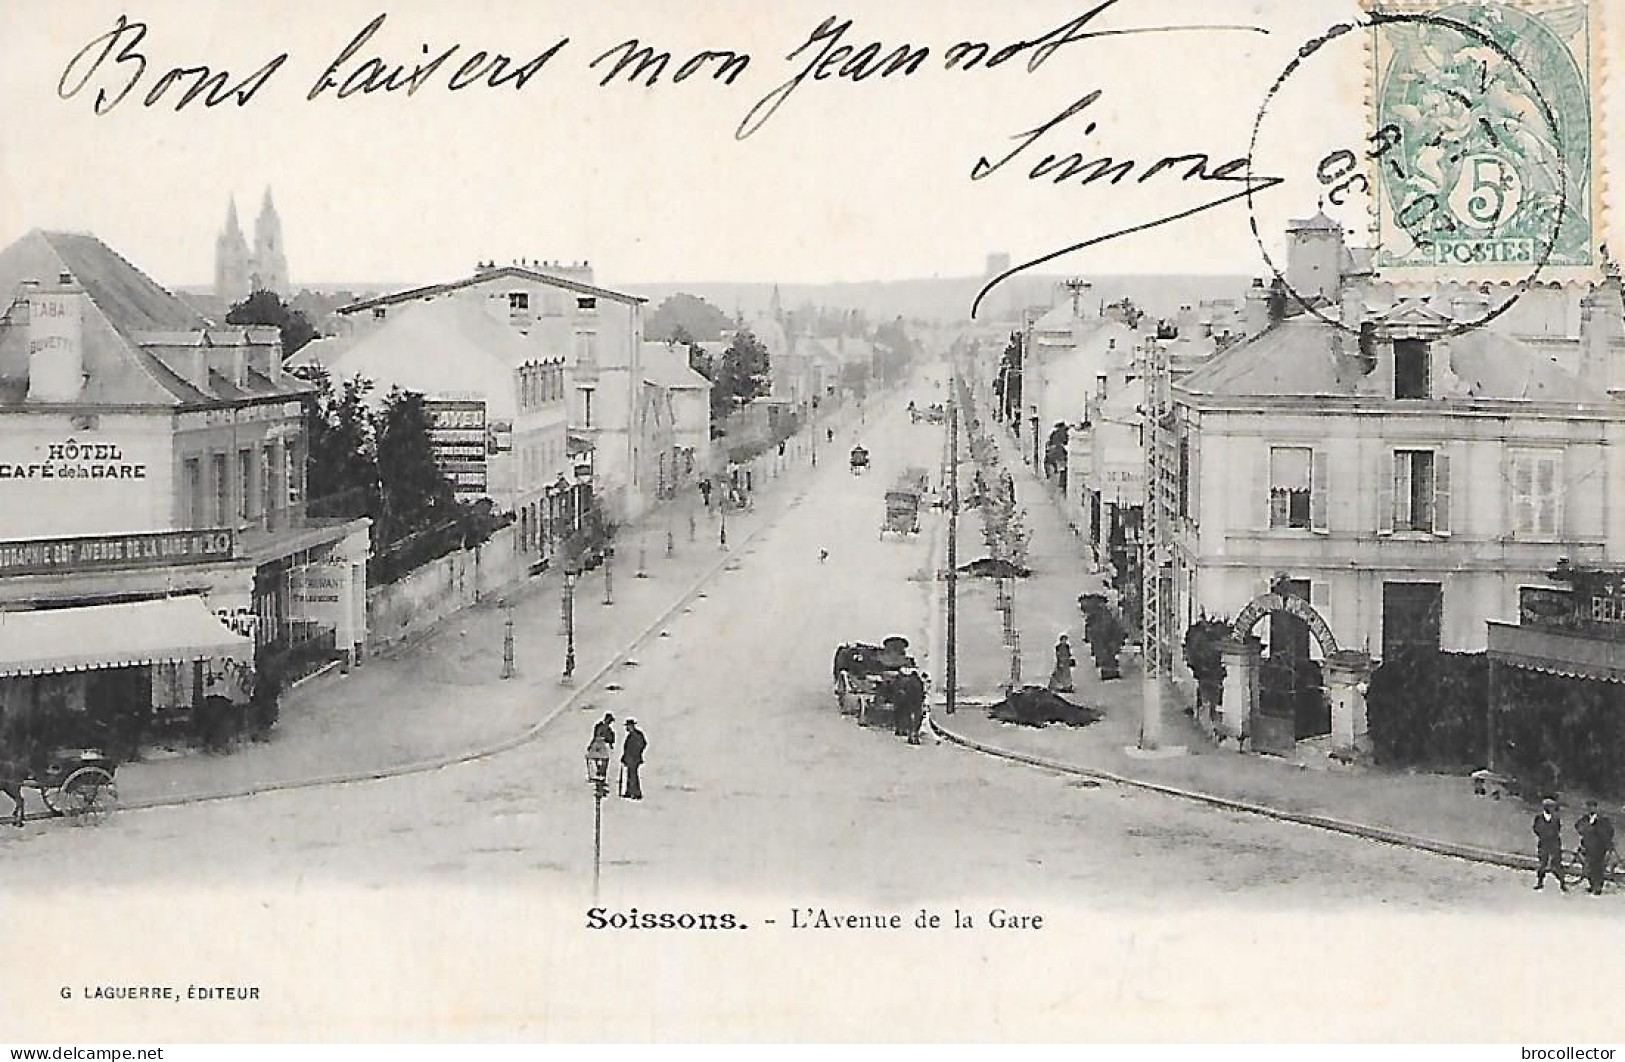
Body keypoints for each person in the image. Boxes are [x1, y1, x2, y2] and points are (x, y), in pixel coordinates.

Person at [1576, 799, 1616, 895]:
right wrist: (1584, 830)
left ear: (1596, 808)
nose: (1590, 809)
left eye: (1592, 807)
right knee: (1588, 867)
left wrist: (1606, 842)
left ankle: (1598, 887)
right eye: (1588, 807)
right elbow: (1577, 826)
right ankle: (1592, 884)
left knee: (1598, 867)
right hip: (1587, 846)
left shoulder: (1603, 820)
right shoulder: (1584, 819)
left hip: (1599, 847)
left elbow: (1610, 831)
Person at [1532, 797, 1567, 892]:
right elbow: (1536, 828)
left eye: (1553, 807)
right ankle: (1540, 882)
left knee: (1557, 865)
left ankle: (1562, 883)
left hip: (1554, 843)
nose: (1552, 809)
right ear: (1546, 807)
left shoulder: (1556, 818)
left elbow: (1558, 829)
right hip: (1543, 843)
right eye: (1550, 807)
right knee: (1542, 864)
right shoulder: (1539, 818)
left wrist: (1552, 835)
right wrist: (1543, 835)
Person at [892, 667, 926, 745]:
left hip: (908, 702)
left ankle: (909, 734)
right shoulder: (918, 682)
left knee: (908, 718)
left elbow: (903, 692)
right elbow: (921, 692)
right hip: (917, 702)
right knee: (916, 719)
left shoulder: (906, 682)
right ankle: (914, 736)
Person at [621, 719, 647, 800]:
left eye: (628, 726)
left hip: (634, 758)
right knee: (630, 775)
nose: (627, 728)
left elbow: (643, 744)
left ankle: (636, 793)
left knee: (633, 775)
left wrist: (637, 753)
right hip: (630, 758)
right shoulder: (631, 735)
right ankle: (629, 792)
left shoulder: (637, 734)